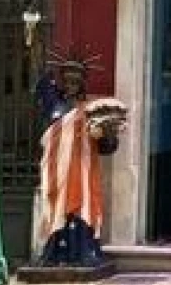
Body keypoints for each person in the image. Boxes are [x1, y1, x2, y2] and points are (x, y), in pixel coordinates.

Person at [35, 56, 125, 270]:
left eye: (76, 80)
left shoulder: (92, 110)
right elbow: (41, 89)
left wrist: (108, 134)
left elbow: (107, 147)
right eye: (67, 79)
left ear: (82, 82)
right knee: (57, 209)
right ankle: (55, 253)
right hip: (56, 170)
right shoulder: (54, 105)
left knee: (82, 207)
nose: (71, 84)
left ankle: (83, 252)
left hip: (82, 169)